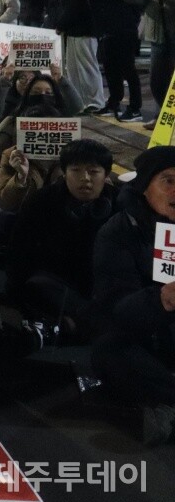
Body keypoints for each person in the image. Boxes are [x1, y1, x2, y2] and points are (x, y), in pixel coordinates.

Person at [92, 146, 175, 444]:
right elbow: (119, 311)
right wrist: (163, 299)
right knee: (110, 352)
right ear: (144, 187)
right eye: (168, 180)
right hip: (146, 339)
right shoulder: (119, 232)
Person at [4, 139, 116, 346]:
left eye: (93, 171)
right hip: (54, 283)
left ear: (106, 175)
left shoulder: (119, 205)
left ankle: (69, 325)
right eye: (76, 170)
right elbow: (19, 253)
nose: (85, 179)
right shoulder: (41, 202)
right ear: (64, 173)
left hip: (101, 287)